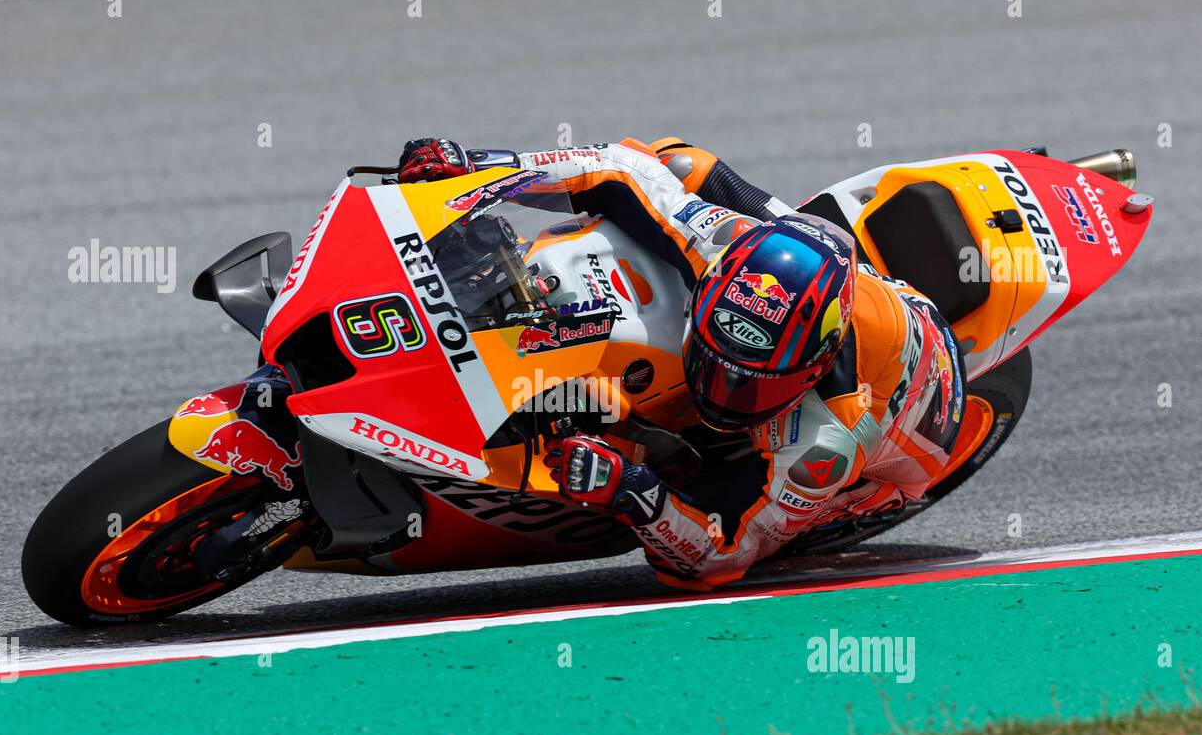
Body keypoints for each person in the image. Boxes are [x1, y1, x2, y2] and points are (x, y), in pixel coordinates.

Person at [396, 137, 966, 590]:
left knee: (708, 486)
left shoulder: (827, 440)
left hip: (907, 418)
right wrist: (479, 170)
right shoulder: (724, 244)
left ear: (811, 368)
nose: (721, 391)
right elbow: (617, 169)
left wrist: (638, 493)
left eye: (747, 383)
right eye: (717, 362)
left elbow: (722, 557)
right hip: (834, 280)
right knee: (676, 163)